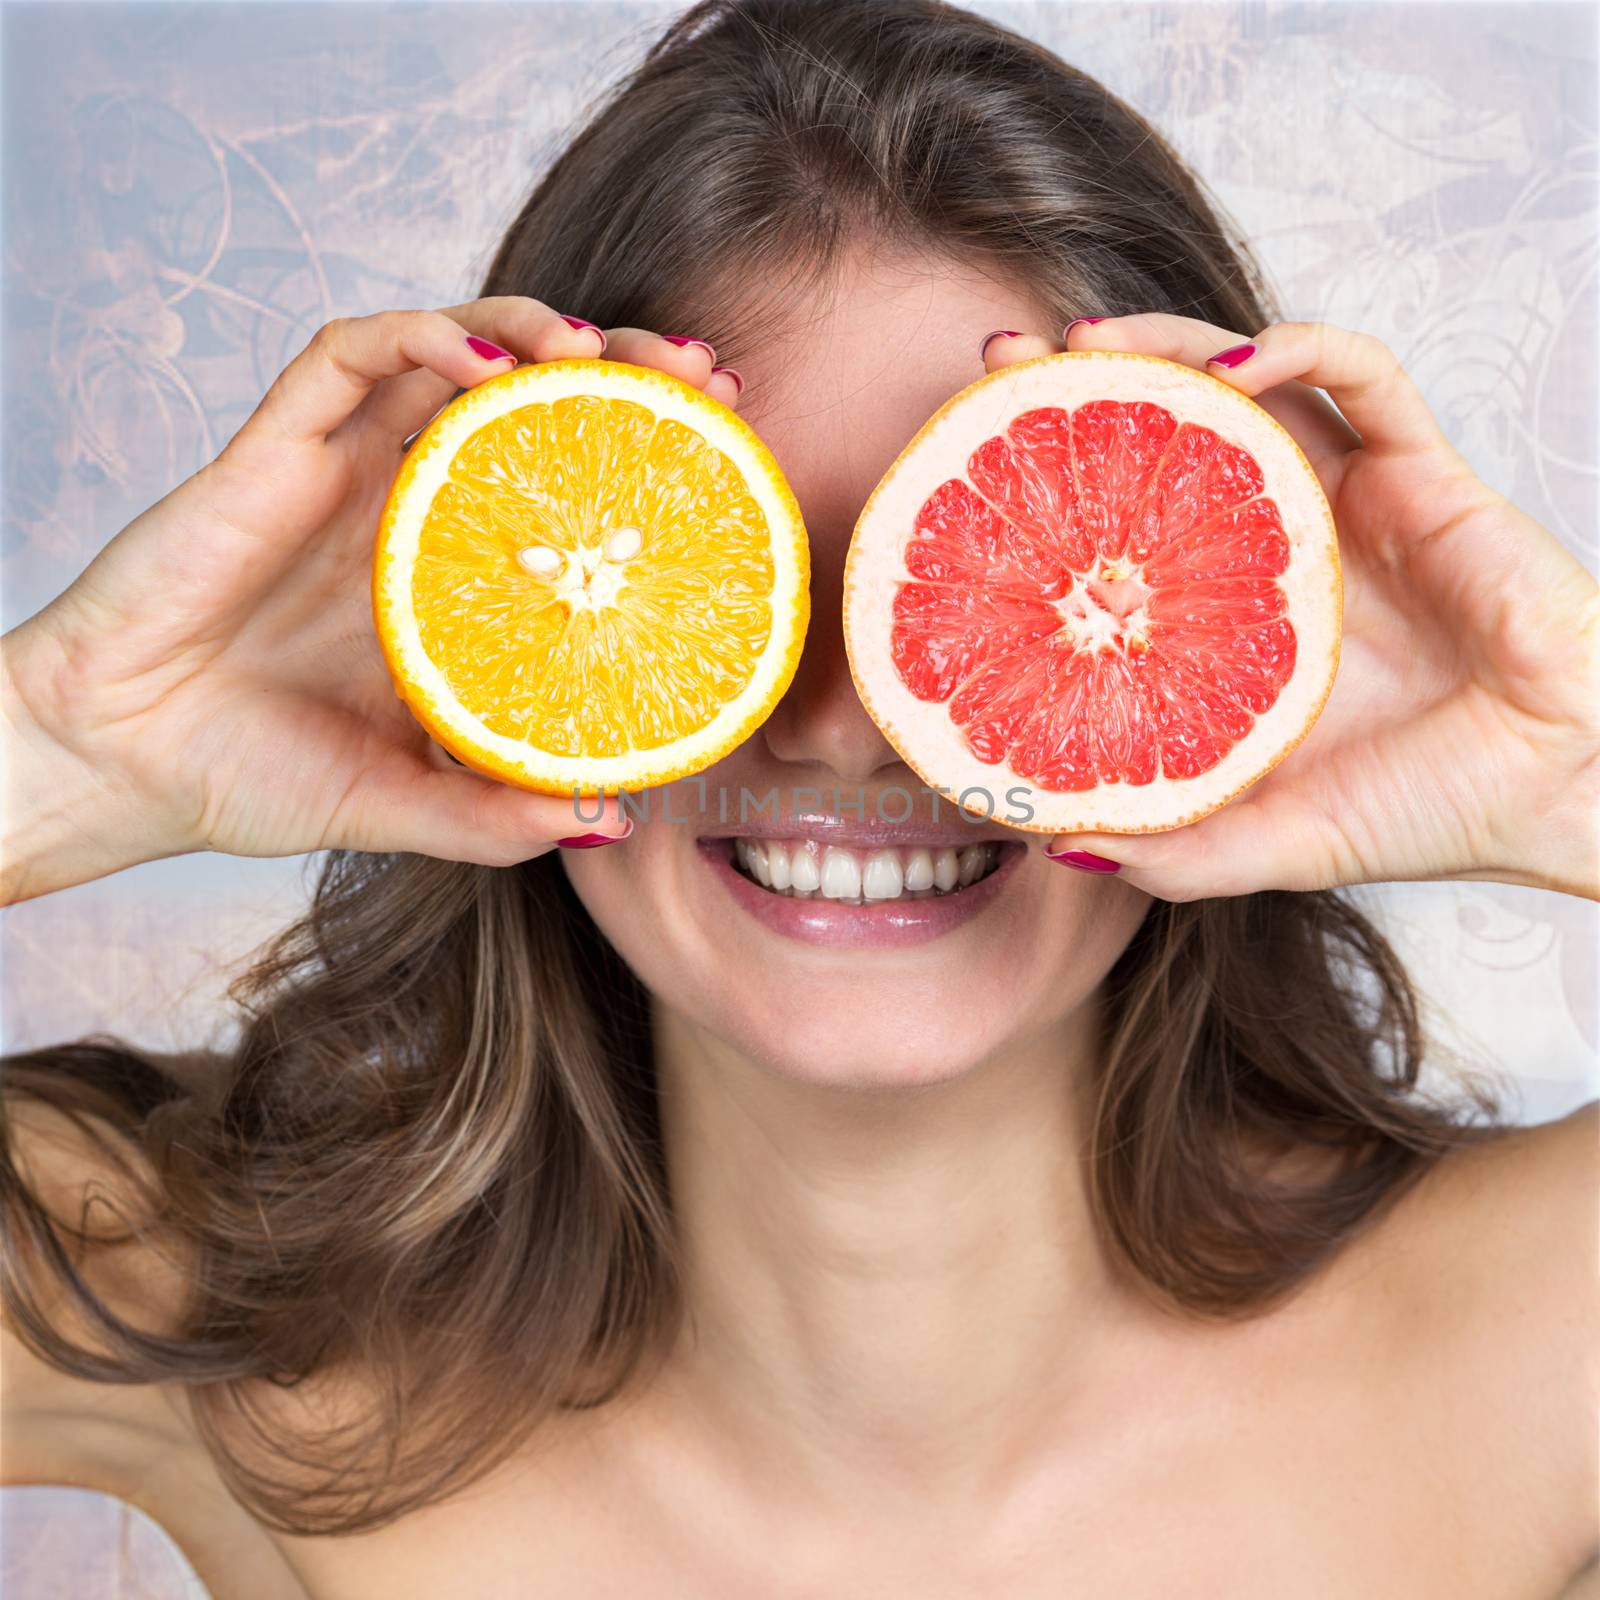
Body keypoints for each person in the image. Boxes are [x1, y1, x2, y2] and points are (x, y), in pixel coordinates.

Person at [2, 1, 1596, 1595]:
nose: (843, 731)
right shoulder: (186, 1294)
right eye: (737, 594)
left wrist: (1572, 765)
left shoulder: (1539, 1340)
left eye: (966, 605)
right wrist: (65, 747)